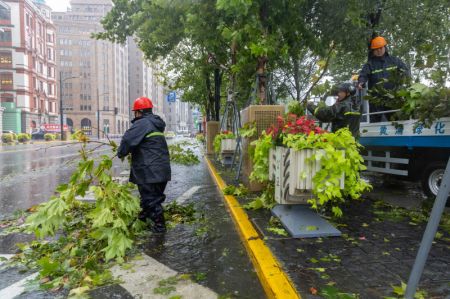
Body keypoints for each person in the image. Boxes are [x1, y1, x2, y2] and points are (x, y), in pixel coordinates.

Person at [118, 97, 171, 233]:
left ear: (139, 112)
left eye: (135, 112)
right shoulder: (155, 123)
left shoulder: (142, 123)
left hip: (149, 171)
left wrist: (121, 153)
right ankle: (143, 217)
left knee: (151, 199)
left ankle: (160, 226)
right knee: (152, 197)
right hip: (162, 170)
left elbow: (127, 141)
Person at [357, 36, 410, 122]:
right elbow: (363, 75)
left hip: (393, 98)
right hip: (376, 100)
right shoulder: (370, 64)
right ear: (373, 51)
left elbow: (405, 71)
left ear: (385, 47)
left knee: (396, 121)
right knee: (375, 123)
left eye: (380, 48)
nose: (379, 50)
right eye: (376, 49)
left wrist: (405, 78)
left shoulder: (394, 61)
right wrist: (361, 82)